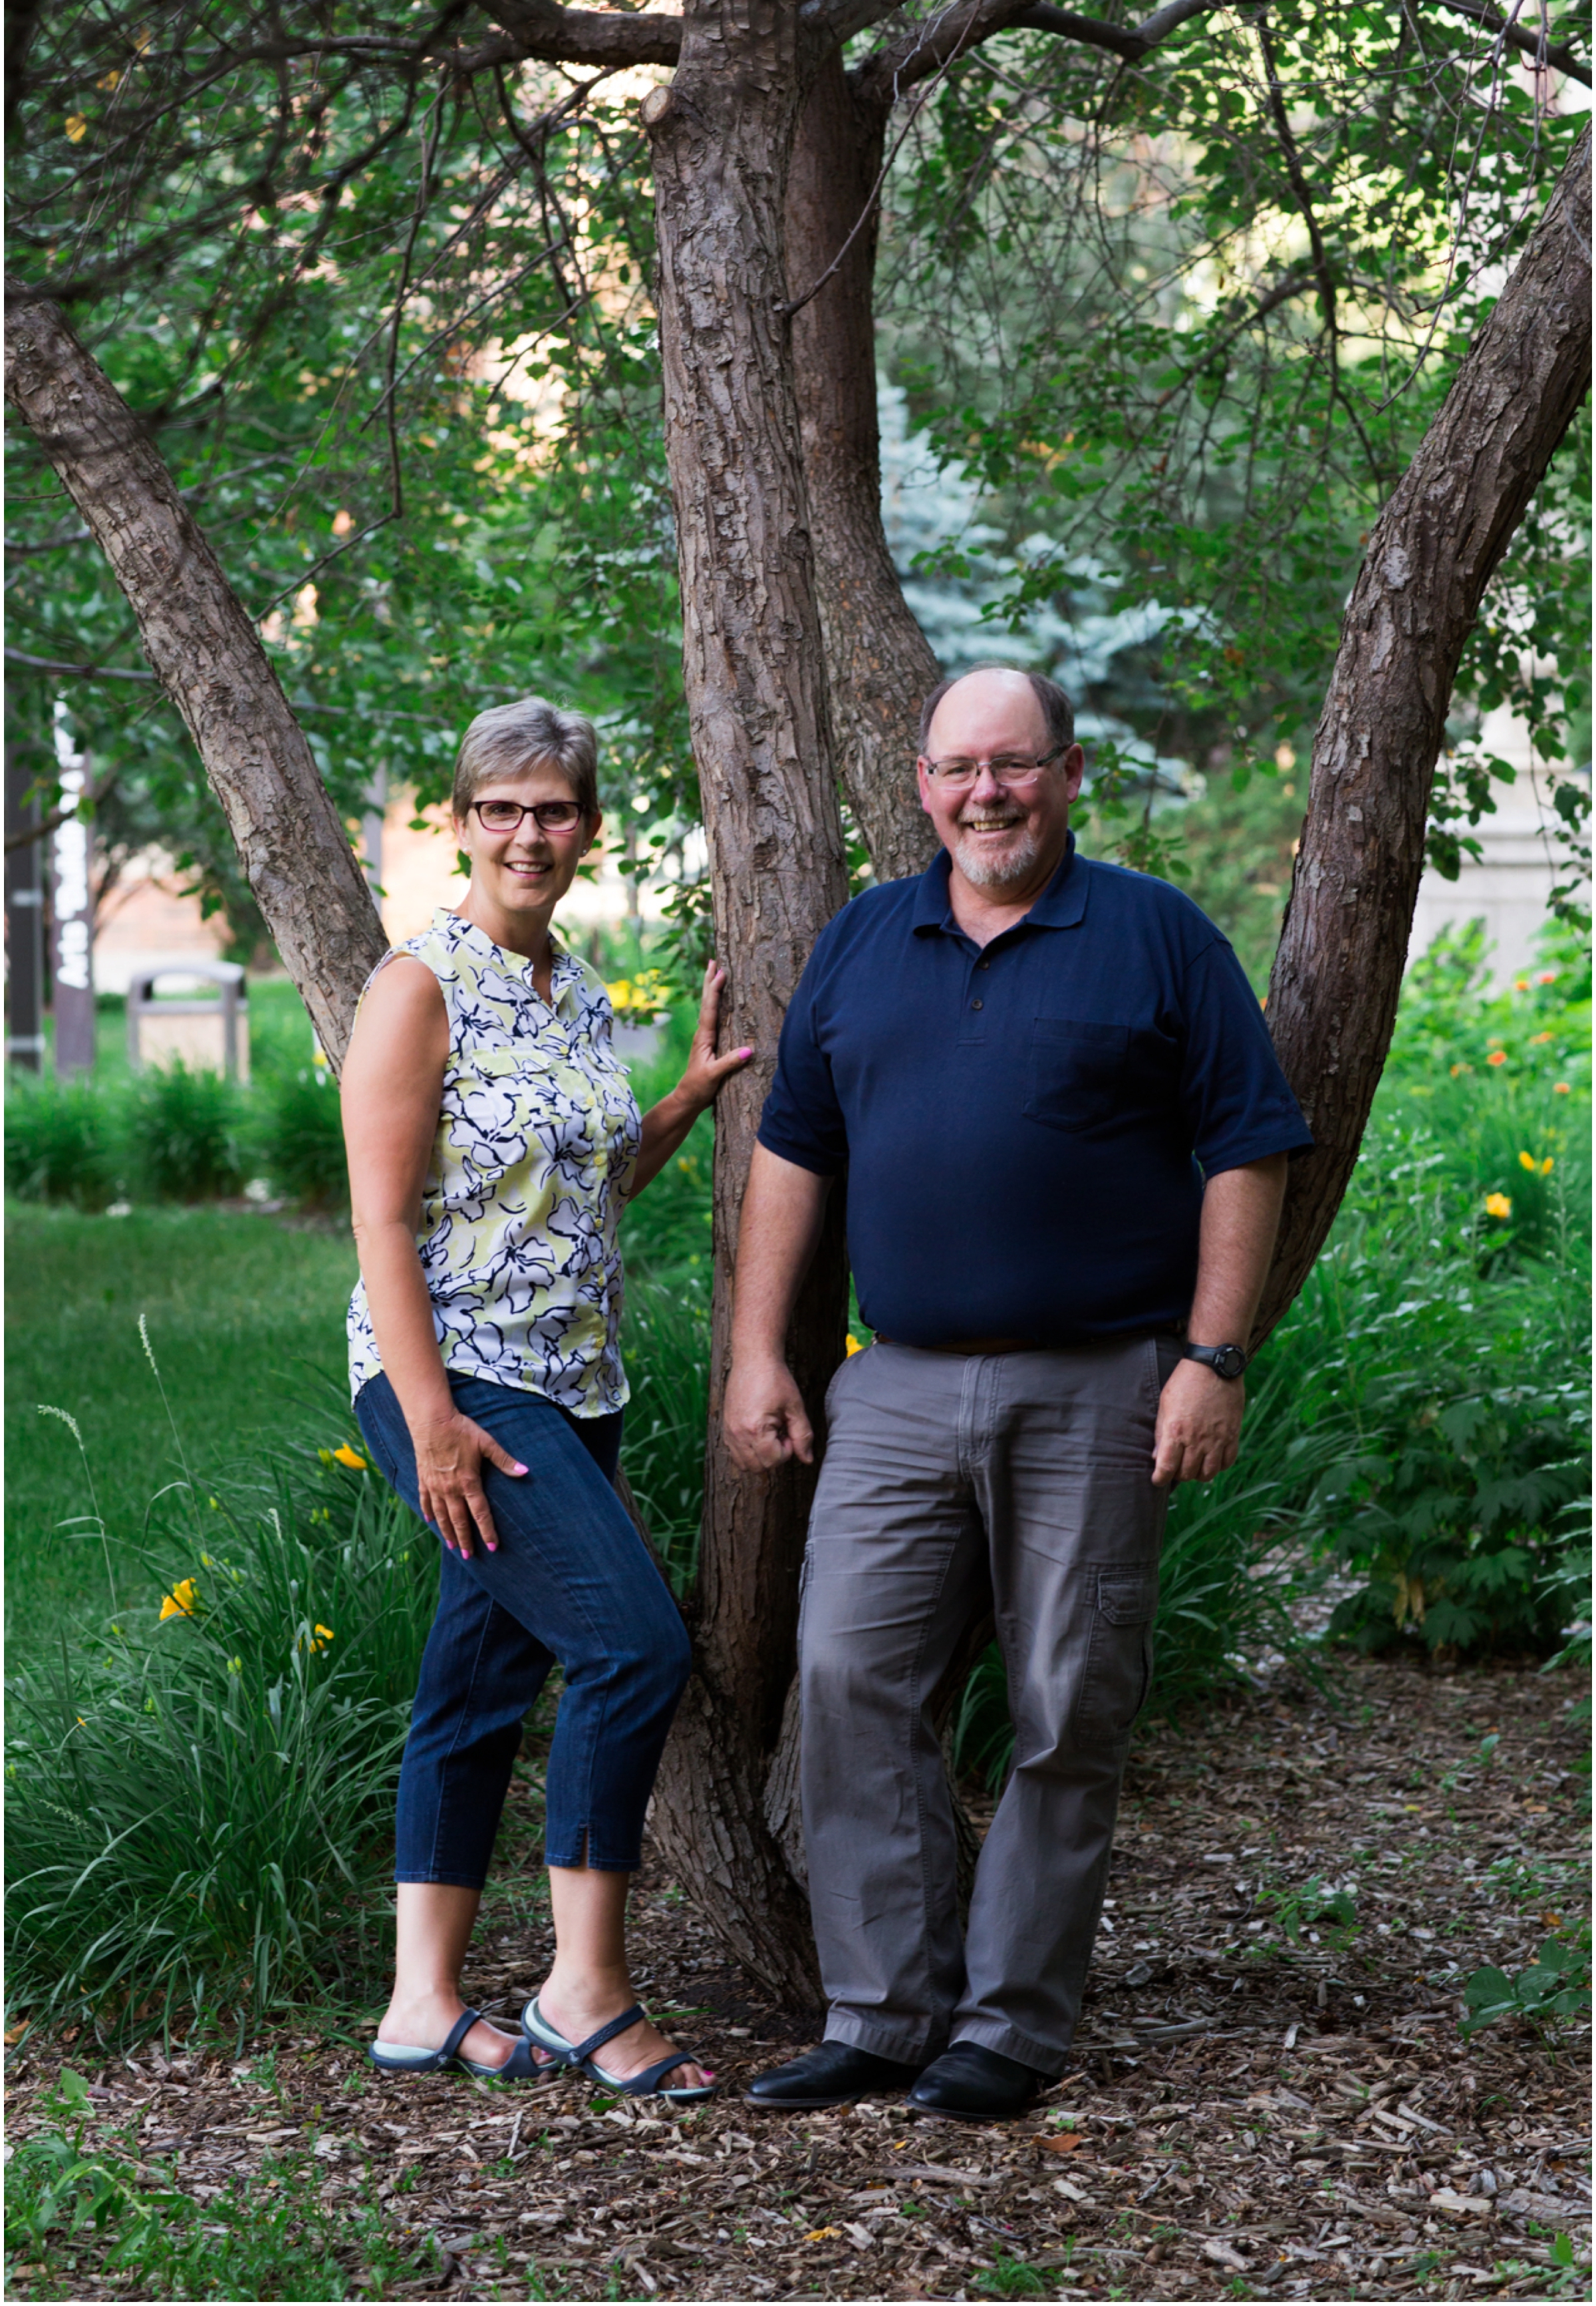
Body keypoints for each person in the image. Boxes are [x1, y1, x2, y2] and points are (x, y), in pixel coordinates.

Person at [727, 666, 1314, 2122]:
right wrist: (757, 1351)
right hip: (896, 1390)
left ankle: (1012, 2029)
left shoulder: (1155, 936)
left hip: (1101, 1387)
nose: (986, 793)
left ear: (1066, 774)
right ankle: (882, 2012)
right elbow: (794, 1152)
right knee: (853, 1683)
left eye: (1015, 765)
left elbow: (1249, 1147)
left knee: (1066, 1708)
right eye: (958, 769)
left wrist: (1213, 1358)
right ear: (922, 785)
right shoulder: (868, 937)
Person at [342, 696, 749, 2097]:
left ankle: (420, 2003)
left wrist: (686, 1098)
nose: (529, 832)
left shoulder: (575, 990)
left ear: (588, 829)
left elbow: (578, 1189)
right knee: (635, 1646)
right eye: (501, 809)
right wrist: (435, 1417)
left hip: (576, 1384)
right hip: (460, 1384)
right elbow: (383, 1223)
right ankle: (584, 1991)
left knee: (479, 1679)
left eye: (555, 809)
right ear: (459, 825)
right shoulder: (418, 986)